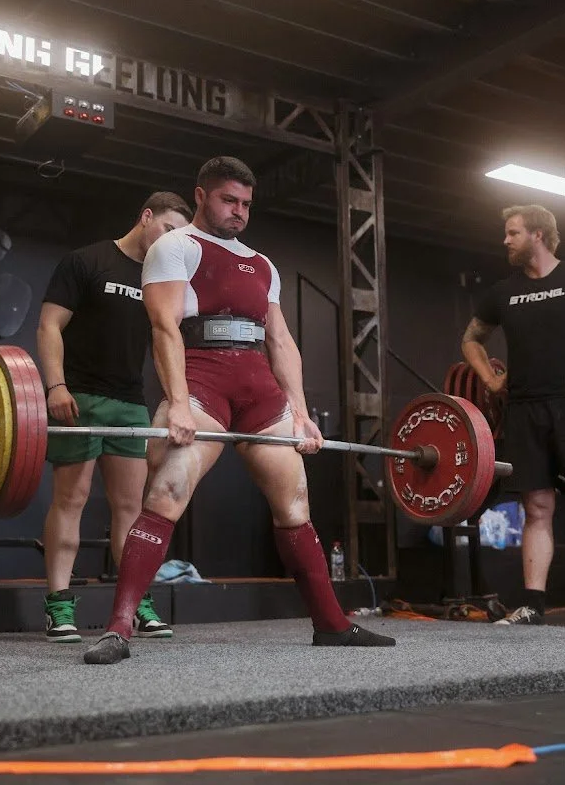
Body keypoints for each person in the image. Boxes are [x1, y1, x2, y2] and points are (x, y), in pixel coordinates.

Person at [83, 156, 395, 663]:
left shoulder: (261, 263)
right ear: (202, 195)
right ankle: (119, 628)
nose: (239, 212)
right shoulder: (175, 247)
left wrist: (299, 412)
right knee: (166, 493)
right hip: (202, 380)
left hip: (258, 389)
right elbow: (163, 328)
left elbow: (280, 339)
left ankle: (332, 625)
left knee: (295, 506)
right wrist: (179, 402)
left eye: (247, 203)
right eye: (229, 200)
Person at [37, 191, 192, 643]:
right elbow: (49, 326)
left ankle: (134, 602)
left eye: (180, 236)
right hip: (80, 398)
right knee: (72, 499)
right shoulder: (86, 261)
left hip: (129, 403)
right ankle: (58, 605)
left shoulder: (159, 279)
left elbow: (167, 339)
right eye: (168, 229)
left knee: (133, 507)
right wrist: (56, 386)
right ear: (146, 217)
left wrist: (177, 398)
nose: (173, 241)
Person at [461, 204, 565, 626]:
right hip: (525, 409)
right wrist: (492, 383)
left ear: (537, 234)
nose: (505, 241)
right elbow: (472, 340)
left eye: (513, 233)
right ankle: (533, 605)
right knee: (537, 507)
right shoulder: (503, 292)